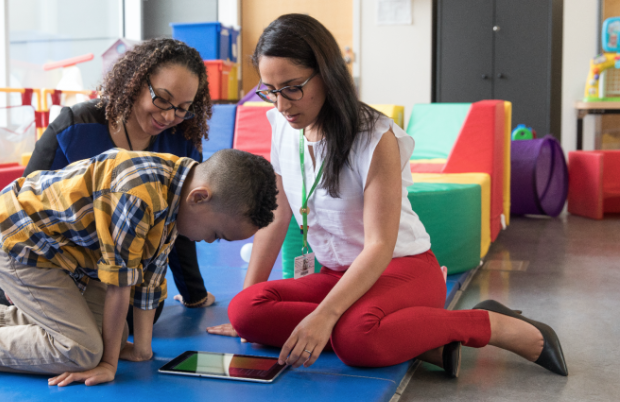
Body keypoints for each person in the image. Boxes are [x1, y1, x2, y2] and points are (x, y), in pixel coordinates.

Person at [206, 14, 567, 378]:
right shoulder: (282, 127)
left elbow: (380, 245)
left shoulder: (375, 137)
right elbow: (277, 216)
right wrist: (246, 307)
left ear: (327, 74)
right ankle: (421, 339)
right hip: (338, 275)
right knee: (245, 310)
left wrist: (325, 315)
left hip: (402, 270)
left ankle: (486, 323)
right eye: (270, 90)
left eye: (292, 87)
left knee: (355, 341)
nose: (281, 105)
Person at [0, 38, 218, 329]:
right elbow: (18, 210)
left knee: (138, 314)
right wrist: (7, 292)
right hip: (57, 257)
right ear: (135, 82)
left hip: (116, 266)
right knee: (47, 321)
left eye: (184, 108)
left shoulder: (180, 144)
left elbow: (180, 225)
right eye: (162, 100)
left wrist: (193, 293)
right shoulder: (75, 127)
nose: (170, 116)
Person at [0, 147, 279, 384]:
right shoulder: (139, 195)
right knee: (81, 352)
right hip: (17, 241)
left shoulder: (177, 186)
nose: (209, 242)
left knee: (99, 337)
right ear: (200, 198)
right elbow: (118, 286)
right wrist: (108, 362)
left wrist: (141, 349)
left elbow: (149, 277)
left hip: (60, 254)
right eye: (217, 234)